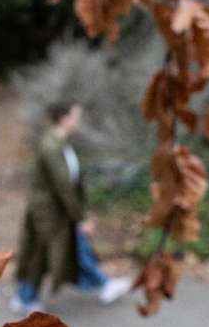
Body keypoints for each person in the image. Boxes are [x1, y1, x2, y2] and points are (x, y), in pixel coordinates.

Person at [11, 103, 133, 315]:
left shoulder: (58, 143)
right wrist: (80, 218)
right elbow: (63, 186)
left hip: (56, 212)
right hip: (49, 213)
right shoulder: (51, 146)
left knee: (69, 248)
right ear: (64, 118)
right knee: (43, 253)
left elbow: (69, 183)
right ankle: (24, 297)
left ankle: (102, 284)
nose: (78, 121)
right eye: (76, 117)